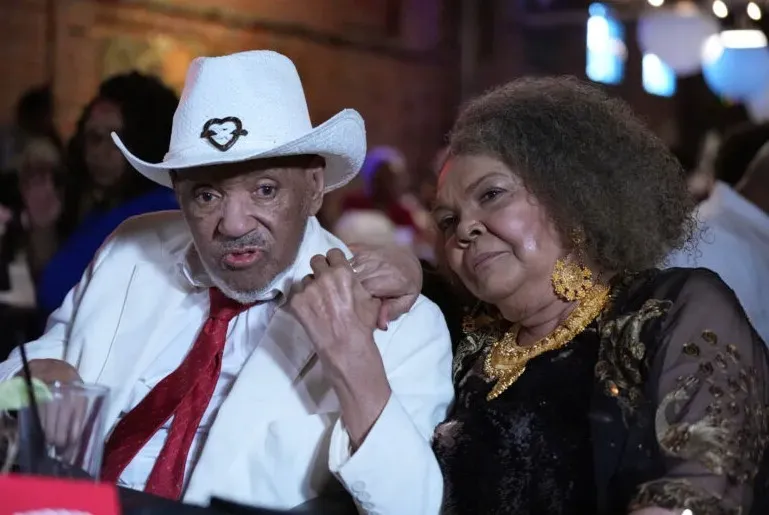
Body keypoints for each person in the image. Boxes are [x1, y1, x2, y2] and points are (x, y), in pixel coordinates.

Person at [0, 50, 453, 513]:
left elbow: (412, 506)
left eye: (265, 190)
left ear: (314, 186)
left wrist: (353, 363)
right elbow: (25, 371)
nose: (234, 224)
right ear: (178, 192)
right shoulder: (131, 250)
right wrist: (30, 383)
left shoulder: (401, 323)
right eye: (206, 195)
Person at [348, 77, 769, 514]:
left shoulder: (669, 311)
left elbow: (700, 489)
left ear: (570, 194)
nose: (465, 229)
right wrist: (407, 265)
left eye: (491, 194)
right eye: (448, 221)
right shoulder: (463, 337)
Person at [21, 73, 180, 314]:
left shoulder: (159, 214)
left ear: (147, 141)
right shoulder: (105, 206)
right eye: (94, 137)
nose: (99, 152)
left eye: (117, 139)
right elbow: (53, 284)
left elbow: (60, 295)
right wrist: (44, 227)